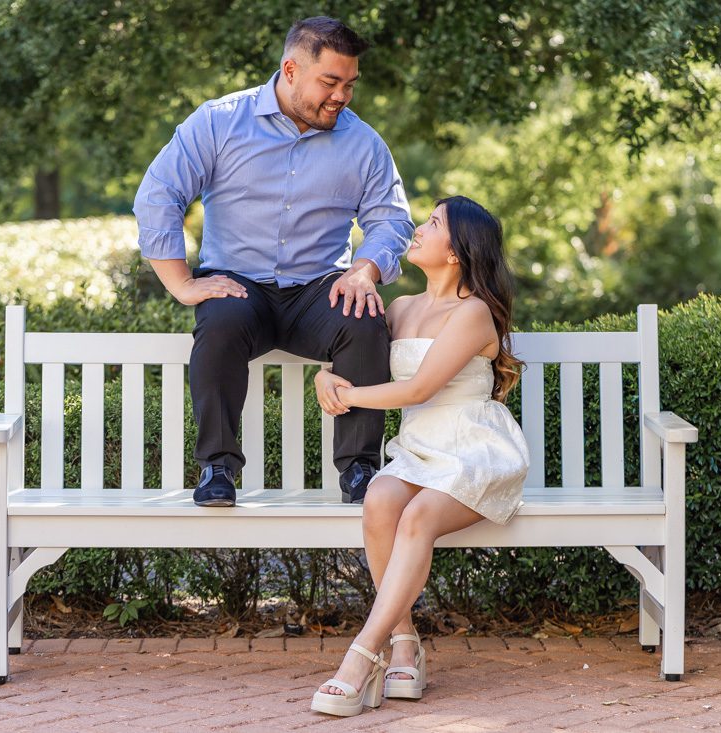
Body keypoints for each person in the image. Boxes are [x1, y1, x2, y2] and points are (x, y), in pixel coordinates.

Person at [133, 16, 413, 507]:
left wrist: (366, 269)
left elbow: (391, 221)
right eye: (329, 81)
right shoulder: (219, 122)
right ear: (290, 70)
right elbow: (159, 193)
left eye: (349, 84)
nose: (342, 95)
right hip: (239, 286)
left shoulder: (364, 143)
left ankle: (361, 470)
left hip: (319, 290)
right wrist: (180, 283)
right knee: (218, 321)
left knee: (365, 318)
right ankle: (217, 468)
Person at [309, 196, 530, 717]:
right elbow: (345, 354)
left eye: (432, 224)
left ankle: (362, 658)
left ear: (456, 252)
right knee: (380, 499)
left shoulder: (475, 313)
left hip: (474, 448)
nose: (418, 230)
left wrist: (348, 395)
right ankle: (405, 643)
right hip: (418, 449)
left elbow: (420, 388)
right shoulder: (401, 307)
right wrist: (325, 375)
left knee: (417, 519)